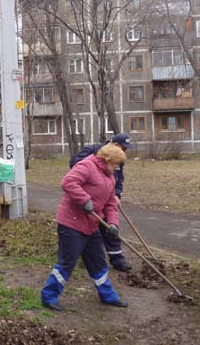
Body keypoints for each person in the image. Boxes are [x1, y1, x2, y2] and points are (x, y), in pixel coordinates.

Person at [41, 144, 128, 311]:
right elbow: (68, 182)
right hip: (71, 223)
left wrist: (112, 223)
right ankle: (48, 297)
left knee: (98, 261)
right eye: (116, 163)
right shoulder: (87, 166)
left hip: (91, 224)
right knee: (67, 262)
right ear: (107, 159)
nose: (117, 167)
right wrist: (84, 199)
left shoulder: (110, 177)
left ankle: (108, 296)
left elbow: (110, 204)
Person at [68, 133, 133, 272]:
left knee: (111, 226)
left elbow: (119, 179)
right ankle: (87, 257)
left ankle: (117, 259)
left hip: (106, 197)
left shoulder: (118, 158)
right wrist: (97, 162)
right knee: (90, 229)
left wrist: (116, 194)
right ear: (114, 144)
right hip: (88, 199)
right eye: (123, 147)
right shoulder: (92, 150)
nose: (124, 151)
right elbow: (74, 163)